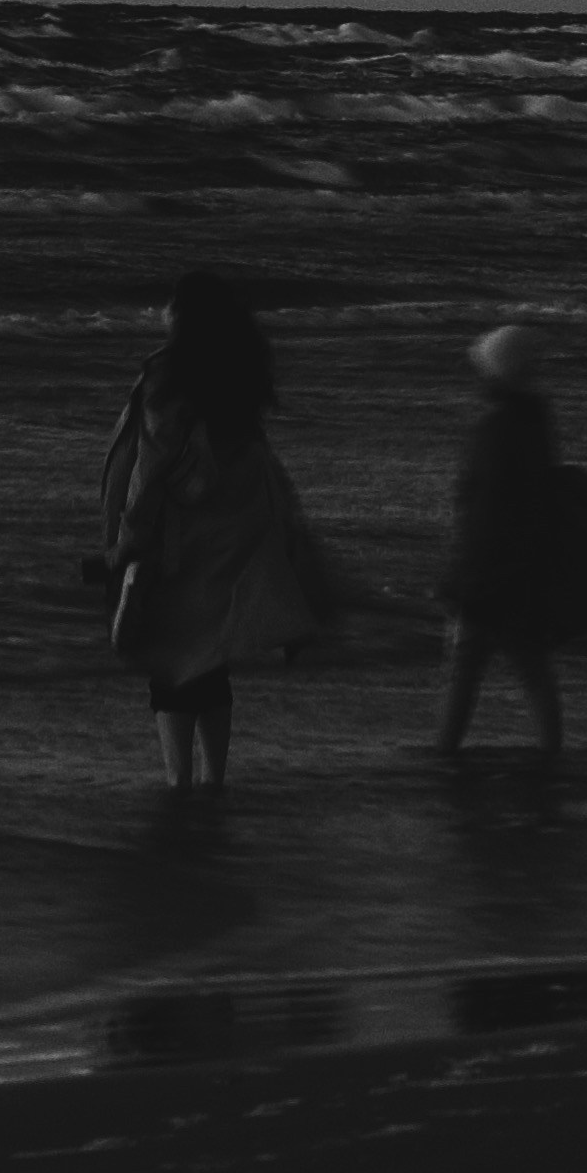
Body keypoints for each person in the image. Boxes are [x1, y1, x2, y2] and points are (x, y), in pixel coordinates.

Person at [102, 267, 335, 796]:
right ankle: (213, 781)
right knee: (210, 659)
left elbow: (152, 464)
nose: (162, 310)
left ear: (183, 316)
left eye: (170, 303)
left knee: (171, 659)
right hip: (232, 531)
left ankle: (178, 782)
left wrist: (130, 533)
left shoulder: (168, 376)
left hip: (180, 537)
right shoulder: (239, 371)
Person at [436, 320, 565, 767]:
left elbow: (483, 509)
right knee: (530, 667)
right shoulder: (536, 423)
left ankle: (445, 755)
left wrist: (463, 575)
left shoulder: (496, 428)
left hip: (490, 571)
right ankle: (552, 755)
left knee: (467, 668)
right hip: (524, 566)